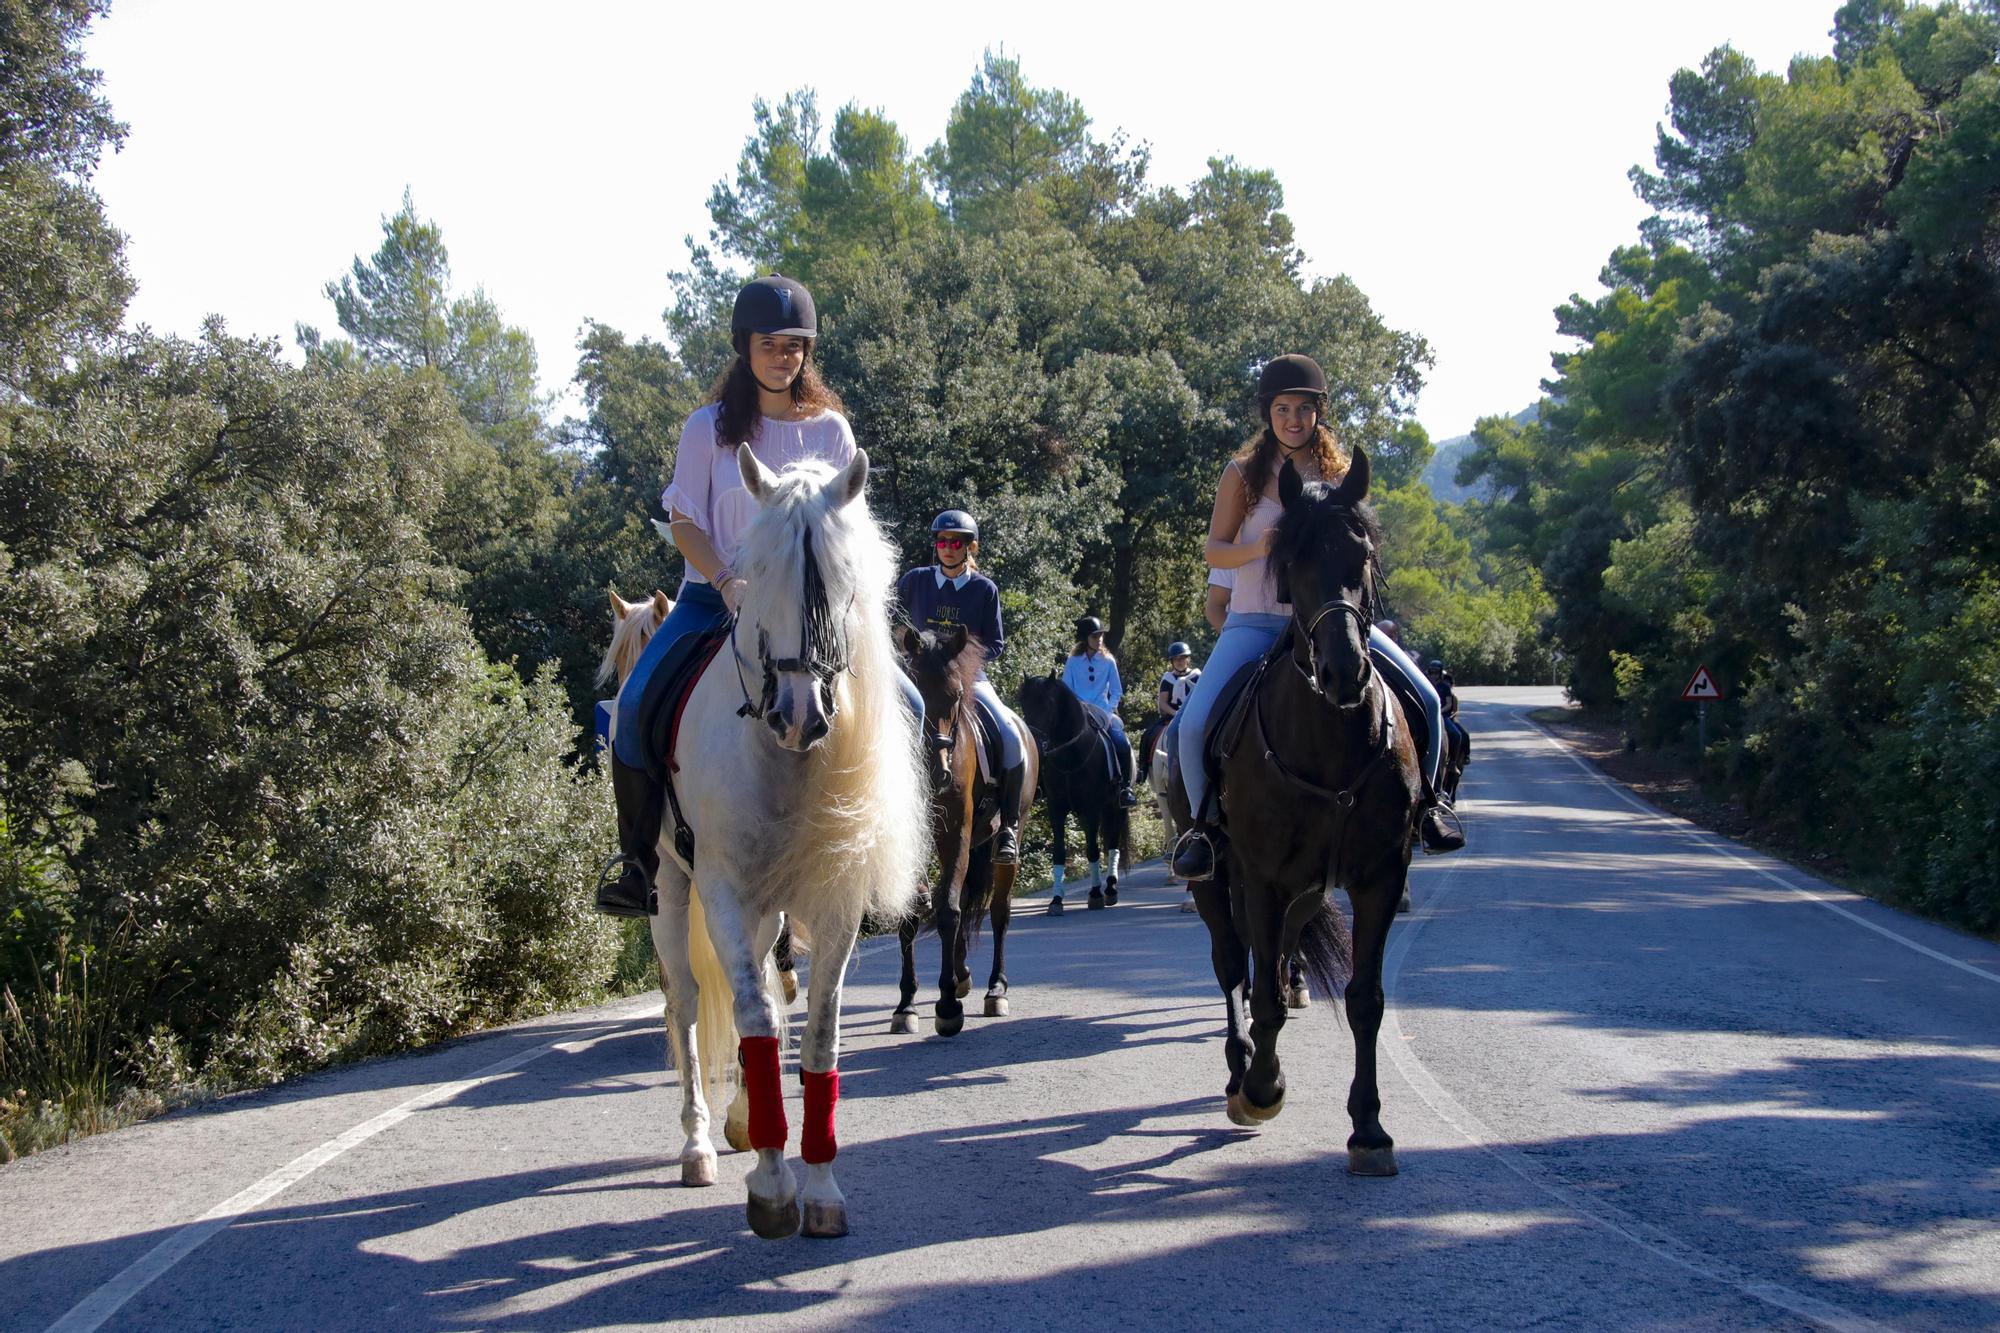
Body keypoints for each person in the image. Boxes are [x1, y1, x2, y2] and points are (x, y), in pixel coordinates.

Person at [598, 274, 859, 917]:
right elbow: (684, 521)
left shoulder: (831, 432)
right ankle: (637, 864)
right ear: (745, 347)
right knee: (632, 706)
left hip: (807, 618)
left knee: (903, 705)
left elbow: (851, 532)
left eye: (795, 345)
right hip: (710, 602)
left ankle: (869, 858)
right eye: (770, 344)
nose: (783, 356)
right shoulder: (706, 430)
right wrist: (726, 580)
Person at [1170, 353, 1464, 882]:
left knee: (1424, 698)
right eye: (1282, 409)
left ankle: (1431, 807)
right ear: (1268, 413)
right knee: (1191, 729)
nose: (1293, 419)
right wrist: (1259, 545)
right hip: (1259, 621)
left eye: (1304, 409)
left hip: (1336, 624)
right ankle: (1204, 829)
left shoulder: (1341, 475)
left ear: (1318, 413)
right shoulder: (1241, 475)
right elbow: (1215, 550)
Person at [895, 509, 1030, 865]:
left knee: (1011, 736)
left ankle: (1009, 828)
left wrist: (964, 664)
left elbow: (996, 643)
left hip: (968, 680)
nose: (948, 548)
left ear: (971, 547)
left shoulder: (984, 589)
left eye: (956, 542)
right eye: (942, 541)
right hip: (920, 679)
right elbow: (894, 621)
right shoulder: (914, 581)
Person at [1061, 616, 1139, 806]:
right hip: (1079, 713)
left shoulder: (1108, 661)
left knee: (1121, 743)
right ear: (1084, 638)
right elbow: (1066, 689)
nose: (1100, 640)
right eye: (1095, 636)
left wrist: (1108, 709)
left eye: (1101, 636)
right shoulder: (1073, 662)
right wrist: (1077, 708)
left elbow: (1117, 691)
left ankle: (1126, 788)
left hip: (1104, 712)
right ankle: (1049, 787)